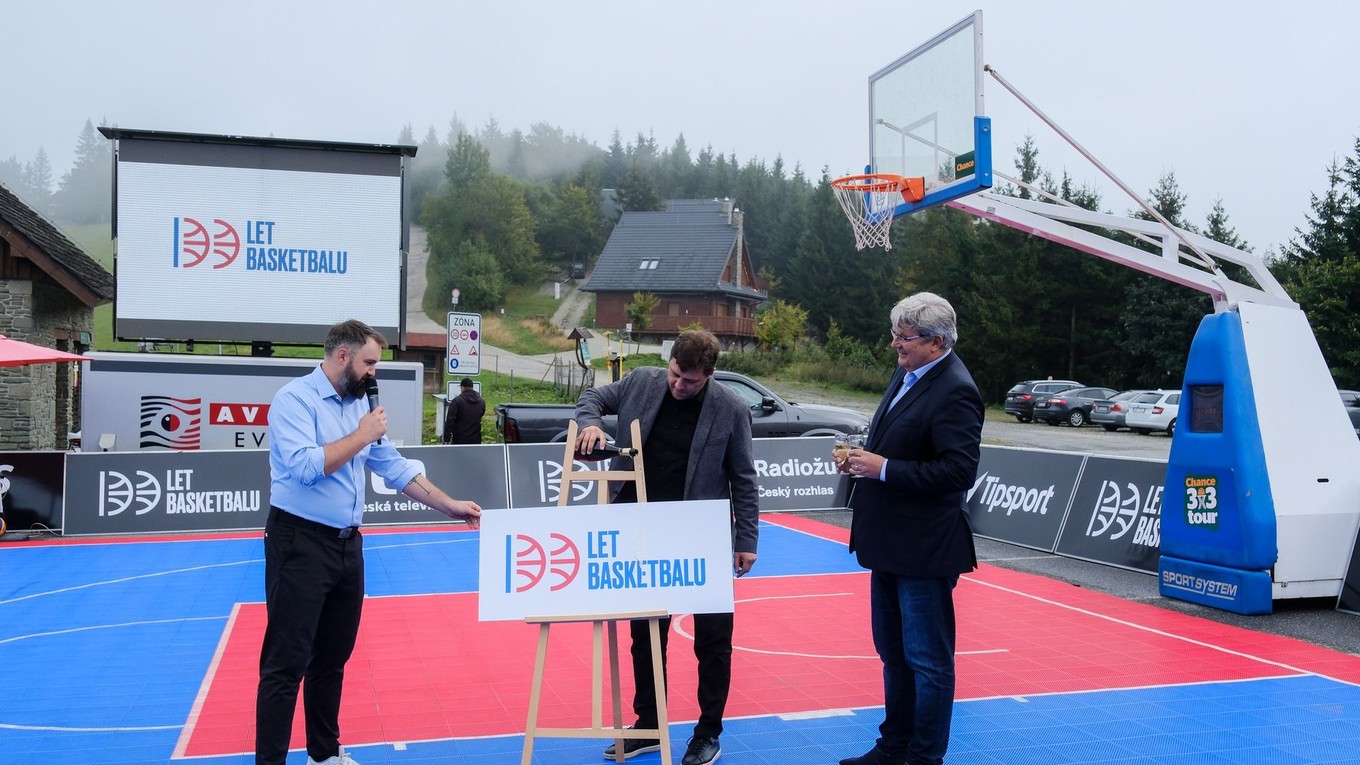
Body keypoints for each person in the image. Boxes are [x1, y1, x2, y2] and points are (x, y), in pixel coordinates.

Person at [256, 319, 482, 765]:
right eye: (370, 363)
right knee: (285, 664)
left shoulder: (357, 408)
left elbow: (394, 468)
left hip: (346, 546)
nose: (374, 373)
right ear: (343, 356)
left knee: (332, 658)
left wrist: (450, 504)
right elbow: (304, 467)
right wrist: (362, 433)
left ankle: (323, 755)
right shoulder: (294, 401)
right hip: (298, 540)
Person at [574, 328, 759, 765]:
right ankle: (648, 726)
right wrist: (591, 425)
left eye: (690, 381)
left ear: (709, 375)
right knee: (646, 635)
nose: (679, 385)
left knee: (713, 639)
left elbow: (744, 478)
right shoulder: (641, 380)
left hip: (703, 535)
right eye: (676, 374)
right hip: (643, 531)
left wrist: (746, 539)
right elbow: (592, 398)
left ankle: (707, 733)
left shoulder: (731, 409)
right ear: (670, 362)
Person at [837, 292, 983, 765]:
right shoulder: (908, 373)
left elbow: (958, 473)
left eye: (906, 337)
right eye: (896, 334)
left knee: (928, 662)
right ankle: (893, 746)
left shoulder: (956, 388)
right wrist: (863, 463)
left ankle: (924, 757)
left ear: (937, 341)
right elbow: (898, 447)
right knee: (894, 655)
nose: (896, 344)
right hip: (889, 543)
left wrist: (884, 468)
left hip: (924, 548)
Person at [443, 376, 486, 444]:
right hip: (476, 440)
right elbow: (481, 414)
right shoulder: (481, 402)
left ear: (462, 387)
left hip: (459, 440)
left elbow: (450, 421)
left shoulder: (457, 401)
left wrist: (446, 439)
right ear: (472, 387)